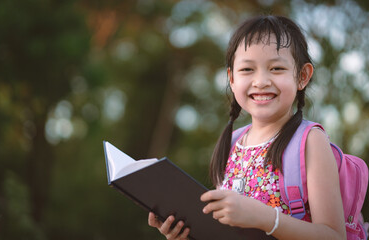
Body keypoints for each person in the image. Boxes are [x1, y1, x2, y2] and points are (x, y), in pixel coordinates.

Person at [148, 15, 346, 240]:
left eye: (277, 68)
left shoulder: (310, 141)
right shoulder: (232, 142)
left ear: (302, 76)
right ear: (231, 78)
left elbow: (334, 236)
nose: (261, 81)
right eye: (247, 69)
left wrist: (265, 218)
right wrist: (185, 232)